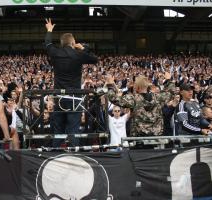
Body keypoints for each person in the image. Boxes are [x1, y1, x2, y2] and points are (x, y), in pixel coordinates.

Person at [44, 18, 98, 147]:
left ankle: (55, 155)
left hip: (59, 98)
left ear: (62, 43)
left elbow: (47, 43)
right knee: (73, 131)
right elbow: (95, 59)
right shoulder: (77, 54)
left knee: (58, 131)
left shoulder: (55, 53)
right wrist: (84, 47)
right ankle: (75, 156)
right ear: (73, 42)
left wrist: (49, 30)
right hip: (74, 97)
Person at [107, 72, 175, 137]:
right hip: (156, 136)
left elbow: (114, 98)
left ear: (137, 87)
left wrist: (110, 85)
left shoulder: (133, 98)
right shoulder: (158, 97)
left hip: (138, 138)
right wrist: (168, 80)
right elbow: (171, 92)